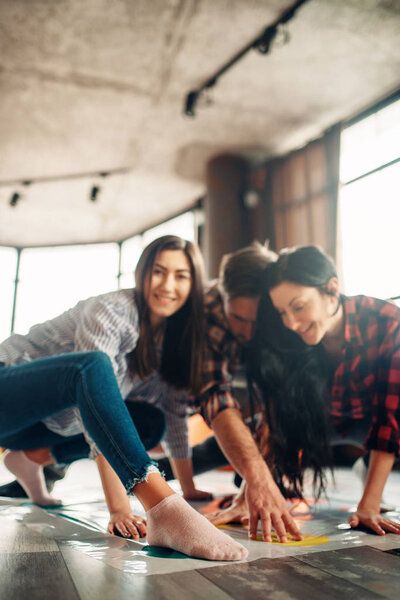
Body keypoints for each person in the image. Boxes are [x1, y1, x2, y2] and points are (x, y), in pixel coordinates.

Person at [0, 235, 247, 561]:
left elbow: (174, 414)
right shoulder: (111, 311)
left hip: (40, 426)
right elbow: (90, 409)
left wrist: (187, 488)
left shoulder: (171, 338)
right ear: (142, 272)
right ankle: (161, 506)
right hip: (8, 394)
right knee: (91, 367)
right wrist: (120, 509)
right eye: (158, 271)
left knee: (150, 422)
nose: (168, 285)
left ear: (193, 284)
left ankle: (32, 457)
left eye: (181, 276)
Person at [248, 245, 400, 537]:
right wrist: (251, 492)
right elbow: (277, 415)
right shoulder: (289, 334)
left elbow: (388, 420)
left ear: (331, 290)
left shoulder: (387, 322)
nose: (291, 323)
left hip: (370, 423)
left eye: (299, 306)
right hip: (319, 421)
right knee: (231, 442)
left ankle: (367, 466)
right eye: (282, 312)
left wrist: (368, 505)